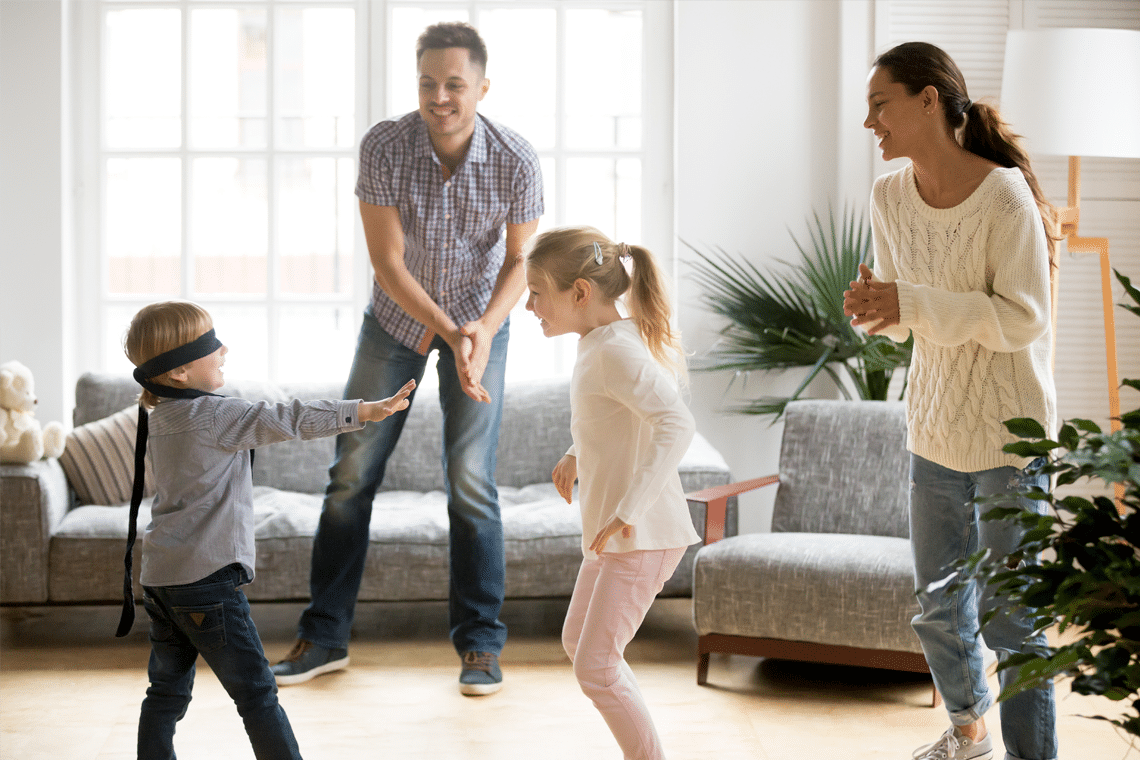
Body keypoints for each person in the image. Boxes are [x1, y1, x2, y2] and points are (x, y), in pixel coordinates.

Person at [271, 21, 543, 696]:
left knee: (471, 481)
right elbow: (388, 264)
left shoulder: (517, 157)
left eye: (455, 83)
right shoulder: (385, 147)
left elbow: (521, 261)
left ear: (483, 86)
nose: (440, 96)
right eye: (428, 82)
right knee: (350, 474)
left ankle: (480, 646)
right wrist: (446, 332)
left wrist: (477, 329)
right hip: (395, 325)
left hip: (482, 325)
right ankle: (324, 636)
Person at [844, 42, 1059, 760]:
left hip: (1011, 436)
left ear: (928, 99)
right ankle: (970, 738)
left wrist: (910, 300)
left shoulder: (1004, 196)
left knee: (1013, 621)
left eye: (881, 104)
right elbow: (915, 317)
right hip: (933, 427)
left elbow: (1024, 317)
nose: (870, 120)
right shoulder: (888, 197)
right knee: (939, 610)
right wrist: (880, 311)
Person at [122, 300, 415, 760]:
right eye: (208, 344)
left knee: (165, 692)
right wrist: (364, 411)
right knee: (257, 694)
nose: (222, 349)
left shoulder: (160, 418)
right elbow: (290, 417)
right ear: (177, 373)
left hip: (161, 580)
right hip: (207, 582)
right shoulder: (215, 415)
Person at [525, 226, 700, 760]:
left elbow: (676, 423)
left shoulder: (614, 351)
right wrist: (577, 451)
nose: (529, 306)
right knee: (580, 645)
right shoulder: (602, 343)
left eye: (537, 292)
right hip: (618, 535)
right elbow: (613, 415)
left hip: (640, 533)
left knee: (596, 665)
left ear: (580, 292)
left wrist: (629, 509)